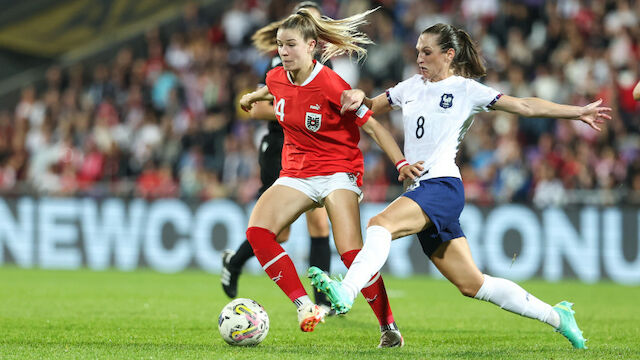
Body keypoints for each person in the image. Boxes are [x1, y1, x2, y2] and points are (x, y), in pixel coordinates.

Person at [309, 23, 612, 350]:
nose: (419, 59)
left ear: (449, 54)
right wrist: (357, 97)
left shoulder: (466, 90)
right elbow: (369, 107)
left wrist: (576, 111)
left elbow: (525, 105)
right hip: (420, 192)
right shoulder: (410, 87)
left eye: (427, 52)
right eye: (417, 52)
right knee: (472, 284)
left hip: (442, 186)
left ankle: (347, 291)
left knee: (380, 224)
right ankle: (557, 316)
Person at [238, 7, 423, 347]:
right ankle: (303, 305)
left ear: (312, 46)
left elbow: (373, 126)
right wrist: (253, 96)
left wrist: (400, 164)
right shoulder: (277, 76)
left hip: (339, 170)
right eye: (280, 45)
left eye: (291, 45)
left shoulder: (330, 83)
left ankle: (388, 326)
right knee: (258, 231)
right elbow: (273, 88)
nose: (283, 51)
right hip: (297, 171)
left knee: (351, 253)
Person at [221, 0, 333, 315]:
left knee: (320, 226)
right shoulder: (279, 64)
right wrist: (296, 111)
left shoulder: (326, 65)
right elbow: (255, 108)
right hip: (281, 146)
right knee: (278, 231)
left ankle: (323, 303)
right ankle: (235, 260)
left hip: (312, 148)